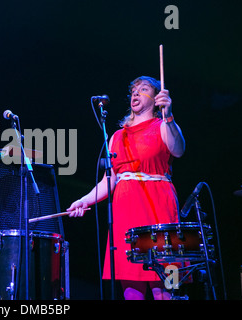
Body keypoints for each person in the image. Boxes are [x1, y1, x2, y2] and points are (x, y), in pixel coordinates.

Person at [67, 76, 185, 300]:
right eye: (133, 90)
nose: (135, 94)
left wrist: (168, 114)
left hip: (160, 210)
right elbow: (108, 181)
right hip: (126, 214)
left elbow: (178, 150)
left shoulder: (164, 126)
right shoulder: (116, 137)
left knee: (168, 289)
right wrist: (84, 200)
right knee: (132, 292)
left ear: (156, 97)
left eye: (143, 89)